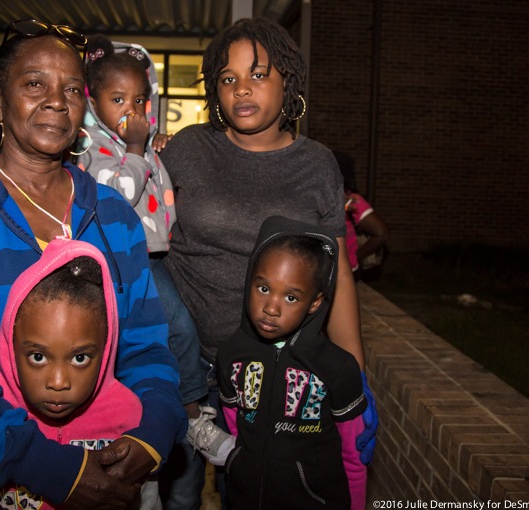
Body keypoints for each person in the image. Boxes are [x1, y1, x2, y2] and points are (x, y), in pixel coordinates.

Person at [0, 19, 186, 510]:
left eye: (72, 89)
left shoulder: (113, 216)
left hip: (110, 467)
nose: (56, 100)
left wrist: (152, 435)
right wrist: (51, 469)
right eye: (34, 84)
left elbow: (146, 347)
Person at [158, 16, 378, 507]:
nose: (241, 89)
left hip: (271, 372)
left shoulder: (317, 165)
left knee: (255, 492)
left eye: (258, 74)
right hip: (180, 365)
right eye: (228, 78)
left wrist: (354, 379)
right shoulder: (188, 148)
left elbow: (335, 270)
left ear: (288, 83)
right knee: (177, 493)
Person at [75, 35, 226, 508]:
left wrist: (152, 147)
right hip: (128, 259)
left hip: (160, 254)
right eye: (117, 100)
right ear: (91, 101)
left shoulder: (140, 143)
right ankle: (193, 413)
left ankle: (183, 405)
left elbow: (161, 195)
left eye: (138, 100)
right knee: (177, 328)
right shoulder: (92, 151)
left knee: (180, 329)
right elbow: (117, 198)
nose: (130, 110)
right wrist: (140, 149)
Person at [0, 239, 161, 509]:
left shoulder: (130, 424)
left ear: (106, 350)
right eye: (38, 357)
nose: (58, 382)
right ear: (11, 349)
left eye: (80, 358)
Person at [214, 215, 367, 509]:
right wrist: (238, 464)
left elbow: (353, 456)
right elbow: (236, 429)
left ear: (315, 302)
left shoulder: (337, 368)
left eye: (291, 297)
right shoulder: (231, 356)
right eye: (263, 288)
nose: (271, 307)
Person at [333, 151, 390, 281]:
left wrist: (354, 257)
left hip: (345, 273)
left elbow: (382, 233)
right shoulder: (317, 201)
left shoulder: (353, 201)